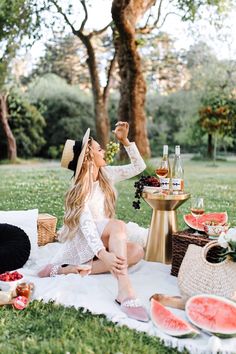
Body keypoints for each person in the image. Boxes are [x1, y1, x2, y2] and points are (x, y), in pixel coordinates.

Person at [38, 122, 149, 322]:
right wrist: (103, 254)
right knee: (118, 225)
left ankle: (71, 269)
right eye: (99, 149)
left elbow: (139, 167)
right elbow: (87, 226)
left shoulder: (107, 174)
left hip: (105, 238)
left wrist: (125, 141)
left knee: (137, 251)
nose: (104, 150)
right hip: (86, 241)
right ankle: (125, 289)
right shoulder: (79, 187)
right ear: (89, 156)